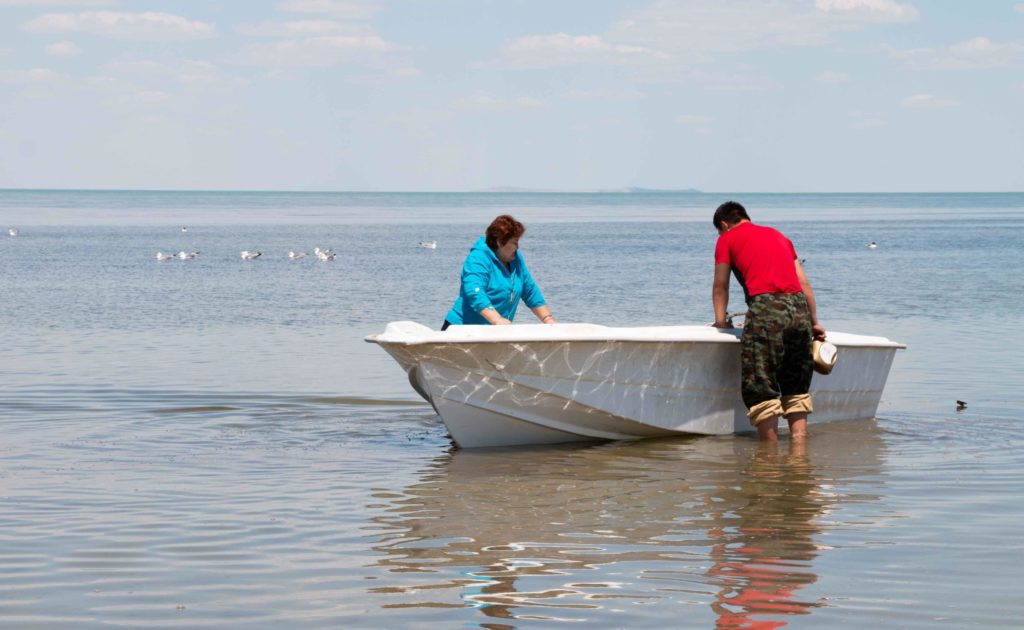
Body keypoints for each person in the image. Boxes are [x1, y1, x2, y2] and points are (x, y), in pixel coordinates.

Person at [711, 201, 826, 442]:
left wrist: (720, 321)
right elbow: (804, 284)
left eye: (719, 231)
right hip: (799, 311)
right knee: (796, 384)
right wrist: (814, 322)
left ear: (724, 225)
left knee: (760, 384)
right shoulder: (779, 236)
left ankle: (769, 460)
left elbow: (721, 285)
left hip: (766, 308)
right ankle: (799, 454)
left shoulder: (727, 239)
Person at [442, 214, 556, 330]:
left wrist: (548, 320)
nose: (518, 247)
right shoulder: (478, 258)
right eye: (515, 242)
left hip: (495, 331)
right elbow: (475, 293)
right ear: (499, 242)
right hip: (460, 329)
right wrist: (497, 320)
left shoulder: (516, 259)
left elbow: (530, 291)